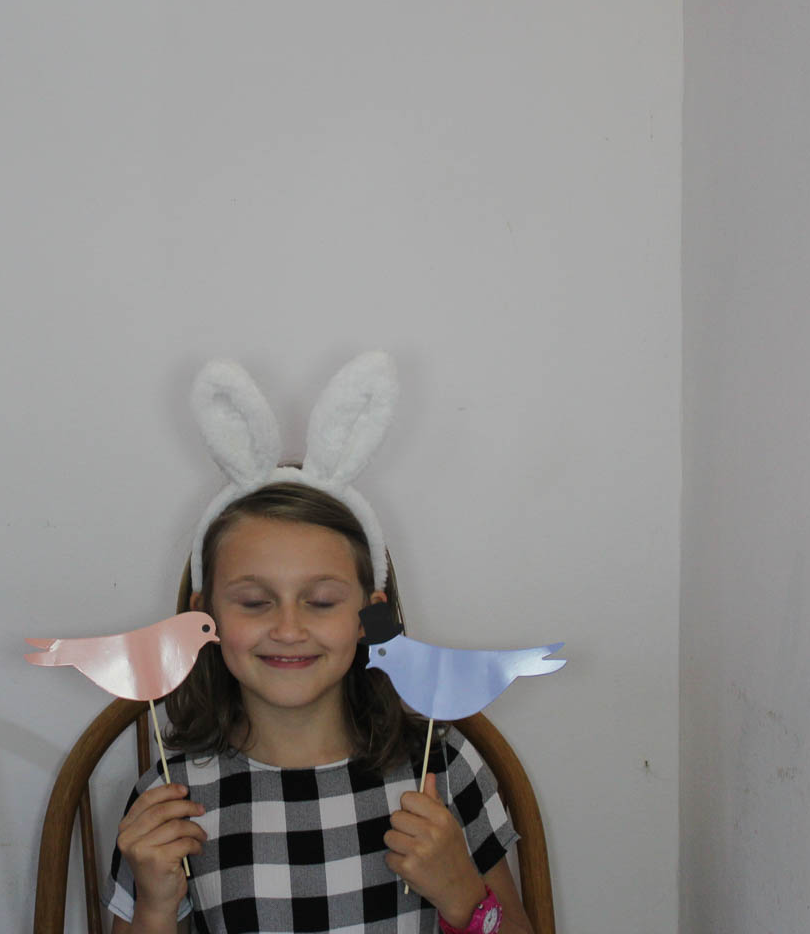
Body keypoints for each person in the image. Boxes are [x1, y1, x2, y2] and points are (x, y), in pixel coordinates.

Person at [107, 355, 535, 934]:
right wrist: (155, 908)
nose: (289, 628)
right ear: (204, 615)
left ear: (368, 617)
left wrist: (463, 895)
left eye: (322, 601)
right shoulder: (171, 798)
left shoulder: (440, 767)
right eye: (254, 602)